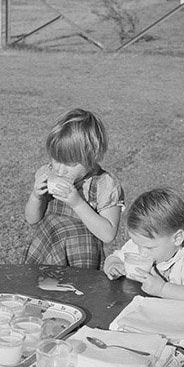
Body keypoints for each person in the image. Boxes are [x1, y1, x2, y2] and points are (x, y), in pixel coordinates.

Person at [24, 108, 123, 269]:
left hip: (80, 258)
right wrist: (36, 196)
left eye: (69, 164)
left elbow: (108, 234)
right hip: (48, 251)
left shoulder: (104, 184)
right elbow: (32, 219)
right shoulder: (48, 173)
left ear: (92, 157)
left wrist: (77, 203)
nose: (60, 170)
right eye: (56, 160)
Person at [103, 187, 184, 301]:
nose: (141, 252)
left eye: (149, 247)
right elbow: (114, 257)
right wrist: (114, 265)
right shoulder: (138, 248)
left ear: (177, 238)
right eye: (137, 244)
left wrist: (163, 289)